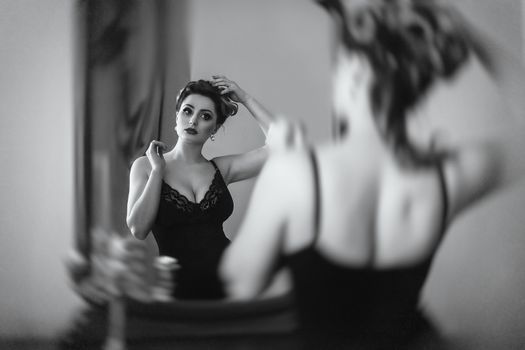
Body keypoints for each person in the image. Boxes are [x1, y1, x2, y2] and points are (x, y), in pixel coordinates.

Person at [220, 0, 525, 347]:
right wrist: (465, 33)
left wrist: (279, 166)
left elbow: (243, 280)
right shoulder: (447, 178)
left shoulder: (295, 173)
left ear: (354, 72)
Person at [126, 75, 277, 300]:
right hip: (177, 293)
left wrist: (245, 98)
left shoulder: (222, 168)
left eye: (205, 116)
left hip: (230, 287)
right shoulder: (146, 166)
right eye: (187, 111)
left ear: (214, 128)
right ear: (176, 116)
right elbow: (138, 229)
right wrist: (158, 171)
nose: (193, 121)